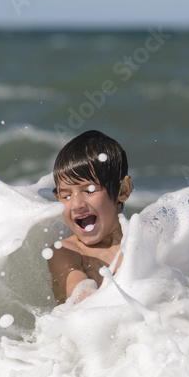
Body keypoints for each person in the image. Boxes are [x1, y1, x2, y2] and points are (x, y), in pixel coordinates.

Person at [47, 130, 133, 304]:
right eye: (66, 196)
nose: (77, 204)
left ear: (122, 190)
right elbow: (83, 301)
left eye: (89, 190)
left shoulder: (139, 243)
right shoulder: (65, 252)